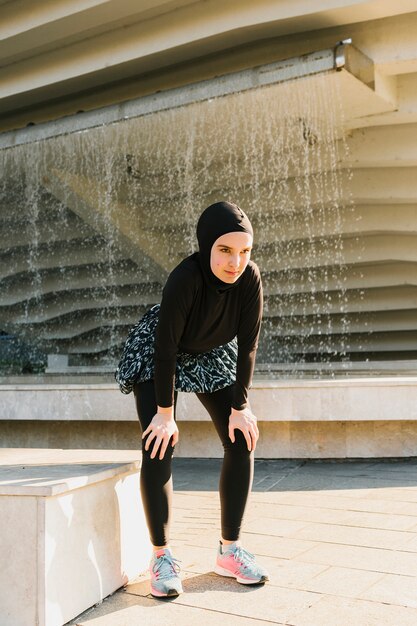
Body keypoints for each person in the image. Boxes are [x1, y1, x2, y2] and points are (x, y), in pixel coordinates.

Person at [115, 201, 269, 598]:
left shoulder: (250, 279)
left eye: (244, 251)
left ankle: (229, 550)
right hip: (161, 347)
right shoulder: (184, 278)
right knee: (158, 441)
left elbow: (248, 345)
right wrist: (165, 414)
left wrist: (242, 407)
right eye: (225, 250)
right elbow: (165, 349)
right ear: (206, 246)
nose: (235, 262)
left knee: (241, 438)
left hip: (211, 350)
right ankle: (161, 556)